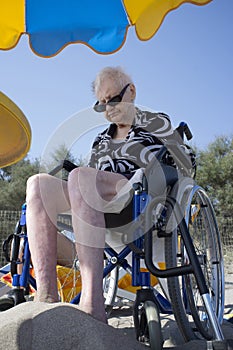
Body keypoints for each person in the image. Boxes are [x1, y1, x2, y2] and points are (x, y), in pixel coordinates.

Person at [26, 66, 174, 323]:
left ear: (132, 92)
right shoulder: (100, 139)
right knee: (38, 184)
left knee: (82, 178)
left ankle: (93, 302)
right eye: (101, 104)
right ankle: (46, 297)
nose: (108, 108)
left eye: (113, 99)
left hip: (138, 196)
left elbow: (174, 165)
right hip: (95, 200)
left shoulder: (156, 123)